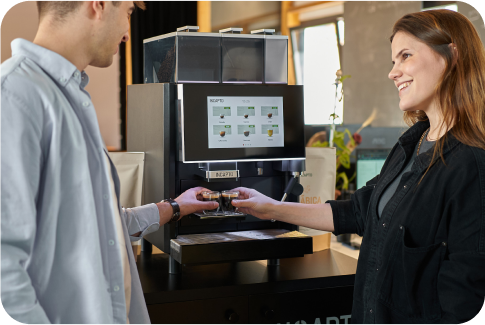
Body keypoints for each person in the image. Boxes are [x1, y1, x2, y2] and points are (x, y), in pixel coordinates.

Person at [232, 9, 485, 325]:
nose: (393, 72)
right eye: (393, 61)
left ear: (452, 55)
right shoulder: (412, 143)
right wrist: (269, 208)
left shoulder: (472, 165)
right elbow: (359, 211)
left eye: (405, 56)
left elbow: (464, 302)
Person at [0, 0, 218, 324]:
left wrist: (175, 207)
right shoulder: (15, 97)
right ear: (99, 5)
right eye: (128, 12)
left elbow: (103, 224)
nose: (127, 33)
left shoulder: (71, 97)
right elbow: (6, 276)